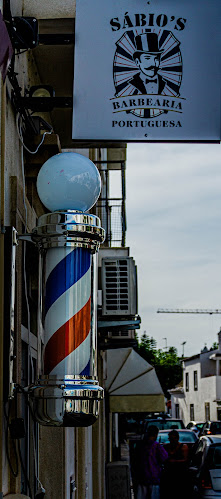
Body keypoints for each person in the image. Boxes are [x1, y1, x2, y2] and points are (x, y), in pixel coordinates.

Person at [136, 425, 168, 499]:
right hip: (153, 477)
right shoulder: (156, 446)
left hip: (142, 477)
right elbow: (164, 458)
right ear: (156, 434)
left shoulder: (141, 445)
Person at [162, 430, 189, 499]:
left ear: (177, 438)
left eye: (173, 438)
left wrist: (174, 461)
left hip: (179, 474)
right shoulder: (166, 447)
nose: (172, 441)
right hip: (168, 474)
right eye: (170, 439)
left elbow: (185, 460)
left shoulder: (183, 447)